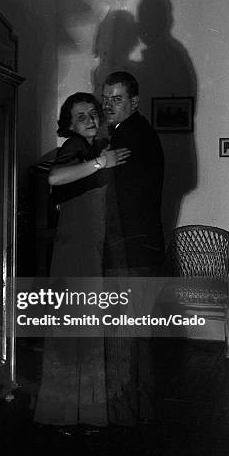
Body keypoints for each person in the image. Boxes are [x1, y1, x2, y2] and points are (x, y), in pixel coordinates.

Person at [34, 92, 130, 429]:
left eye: (92, 113)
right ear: (69, 123)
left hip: (88, 249)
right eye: (80, 115)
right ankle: (65, 414)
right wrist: (102, 163)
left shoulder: (91, 148)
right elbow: (54, 177)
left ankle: (78, 414)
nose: (89, 118)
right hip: (73, 251)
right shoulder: (75, 146)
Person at [101, 71, 164, 427]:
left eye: (117, 99)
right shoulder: (135, 133)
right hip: (141, 254)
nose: (109, 105)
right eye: (106, 98)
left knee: (125, 339)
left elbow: (117, 205)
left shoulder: (130, 139)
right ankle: (138, 418)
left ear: (134, 102)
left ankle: (124, 421)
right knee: (135, 338)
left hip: (130, 257)